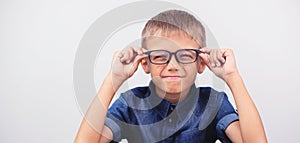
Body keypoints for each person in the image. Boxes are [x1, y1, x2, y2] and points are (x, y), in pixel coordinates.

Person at [75, 9, 267, 143]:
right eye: (160, 56)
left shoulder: (213, 102)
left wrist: (233, 77)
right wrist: (113, 80)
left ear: (201, 63)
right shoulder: (130, 103)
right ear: (145, 63)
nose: (173, 66)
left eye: (185, 56)